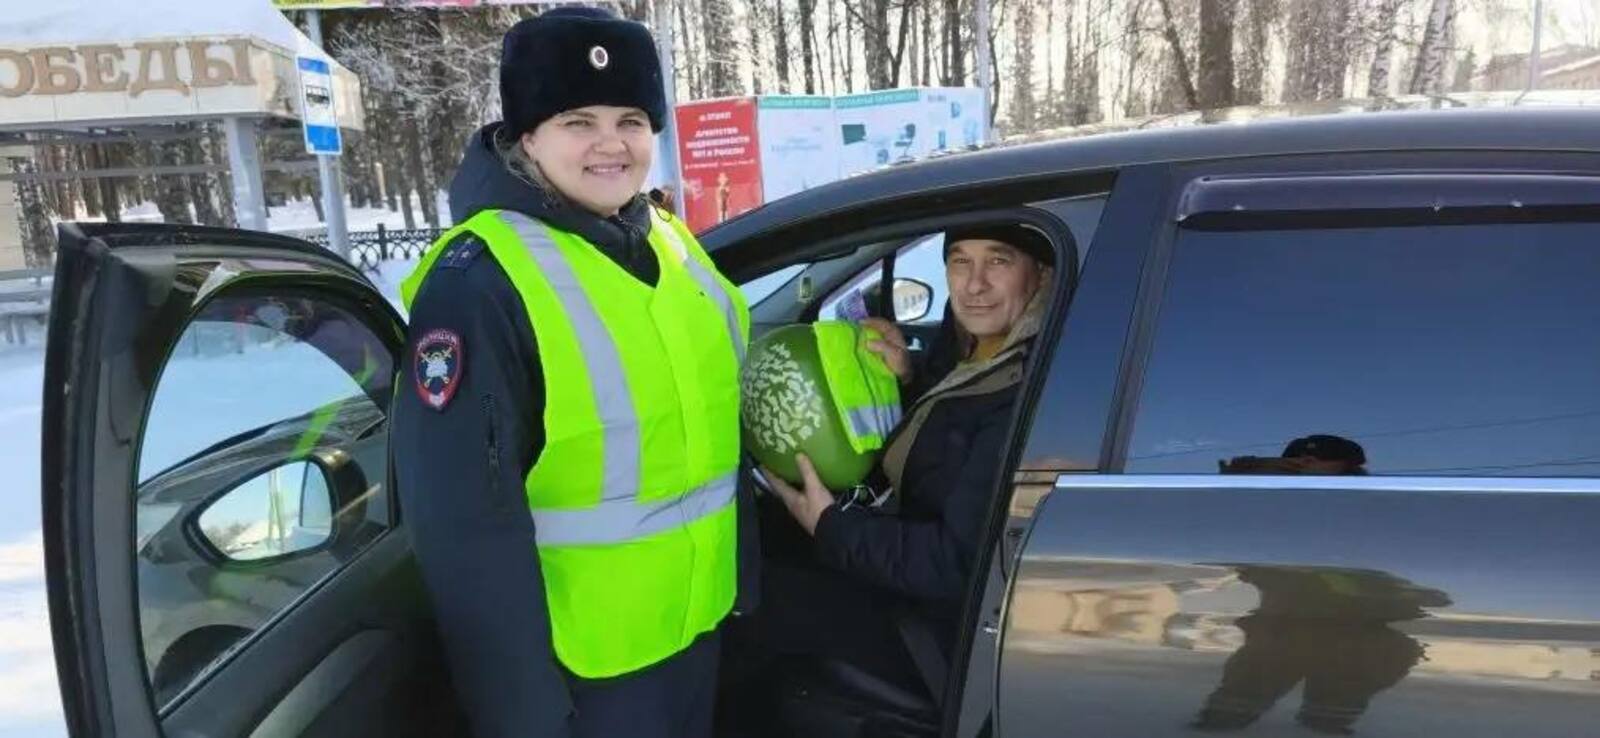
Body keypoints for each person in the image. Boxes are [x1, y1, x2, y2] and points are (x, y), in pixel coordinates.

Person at [390, 8, 752, 738]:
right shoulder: (482, 282)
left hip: (690, 631)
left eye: (631, 119)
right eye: (577, 121)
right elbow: (463, 527)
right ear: (528, 136)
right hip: (582, 677)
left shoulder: (669, 242)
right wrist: (522, 707)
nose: (610, 144)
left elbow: (706, 399)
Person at [741, 224, 1055, 703]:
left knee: (750, 601)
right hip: (907, 573)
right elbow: (945, 436)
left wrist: (830, 526)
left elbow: (952, 564)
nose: (974, 284)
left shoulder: (1026, 384)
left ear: (1040, 274)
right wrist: (907, 375)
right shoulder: (973, 348)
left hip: (939, 631)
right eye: (959, 260)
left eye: (999, 261)